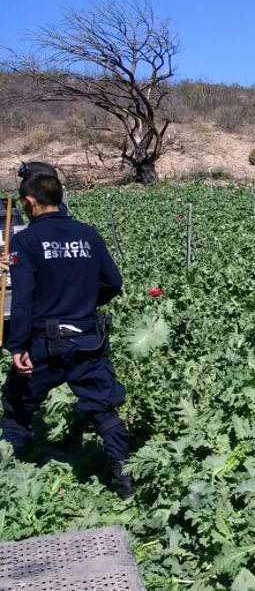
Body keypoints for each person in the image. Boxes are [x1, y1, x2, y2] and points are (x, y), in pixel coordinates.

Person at [1, 173, 131, 498]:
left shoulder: (26, 241)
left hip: (43, 343)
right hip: (87, 338)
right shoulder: (88, 235)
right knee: (103, 408)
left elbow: (23, 301)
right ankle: (126, 484)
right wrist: (84, 303)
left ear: (29, 202)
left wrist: (17, 346)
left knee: (17, 405)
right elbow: (113, 283)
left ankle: (10, 477)